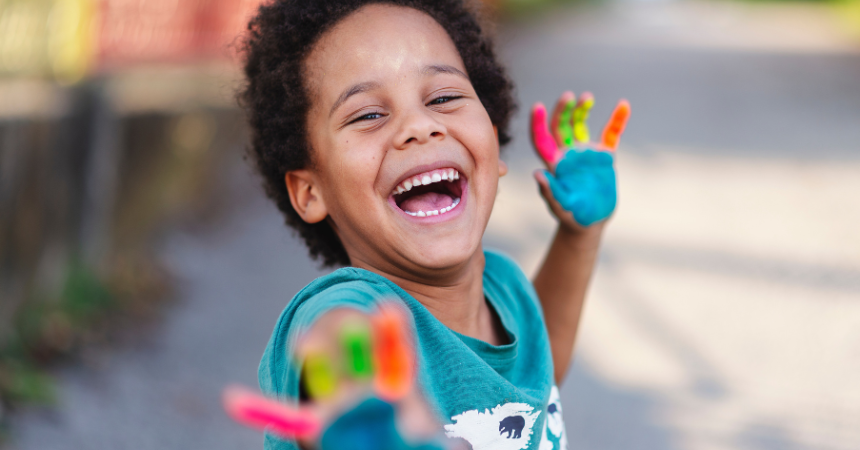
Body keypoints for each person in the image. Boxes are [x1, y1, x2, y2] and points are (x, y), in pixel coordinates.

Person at [239, 0, 629, 449]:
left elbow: (540, 374)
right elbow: (337, 343)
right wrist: (364, 421)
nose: (420, 125)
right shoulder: (349, 308)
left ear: (493, 140)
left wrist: (579, 237)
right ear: (311, 191)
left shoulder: (504, 285)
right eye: (368, 114)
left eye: (443, 98)